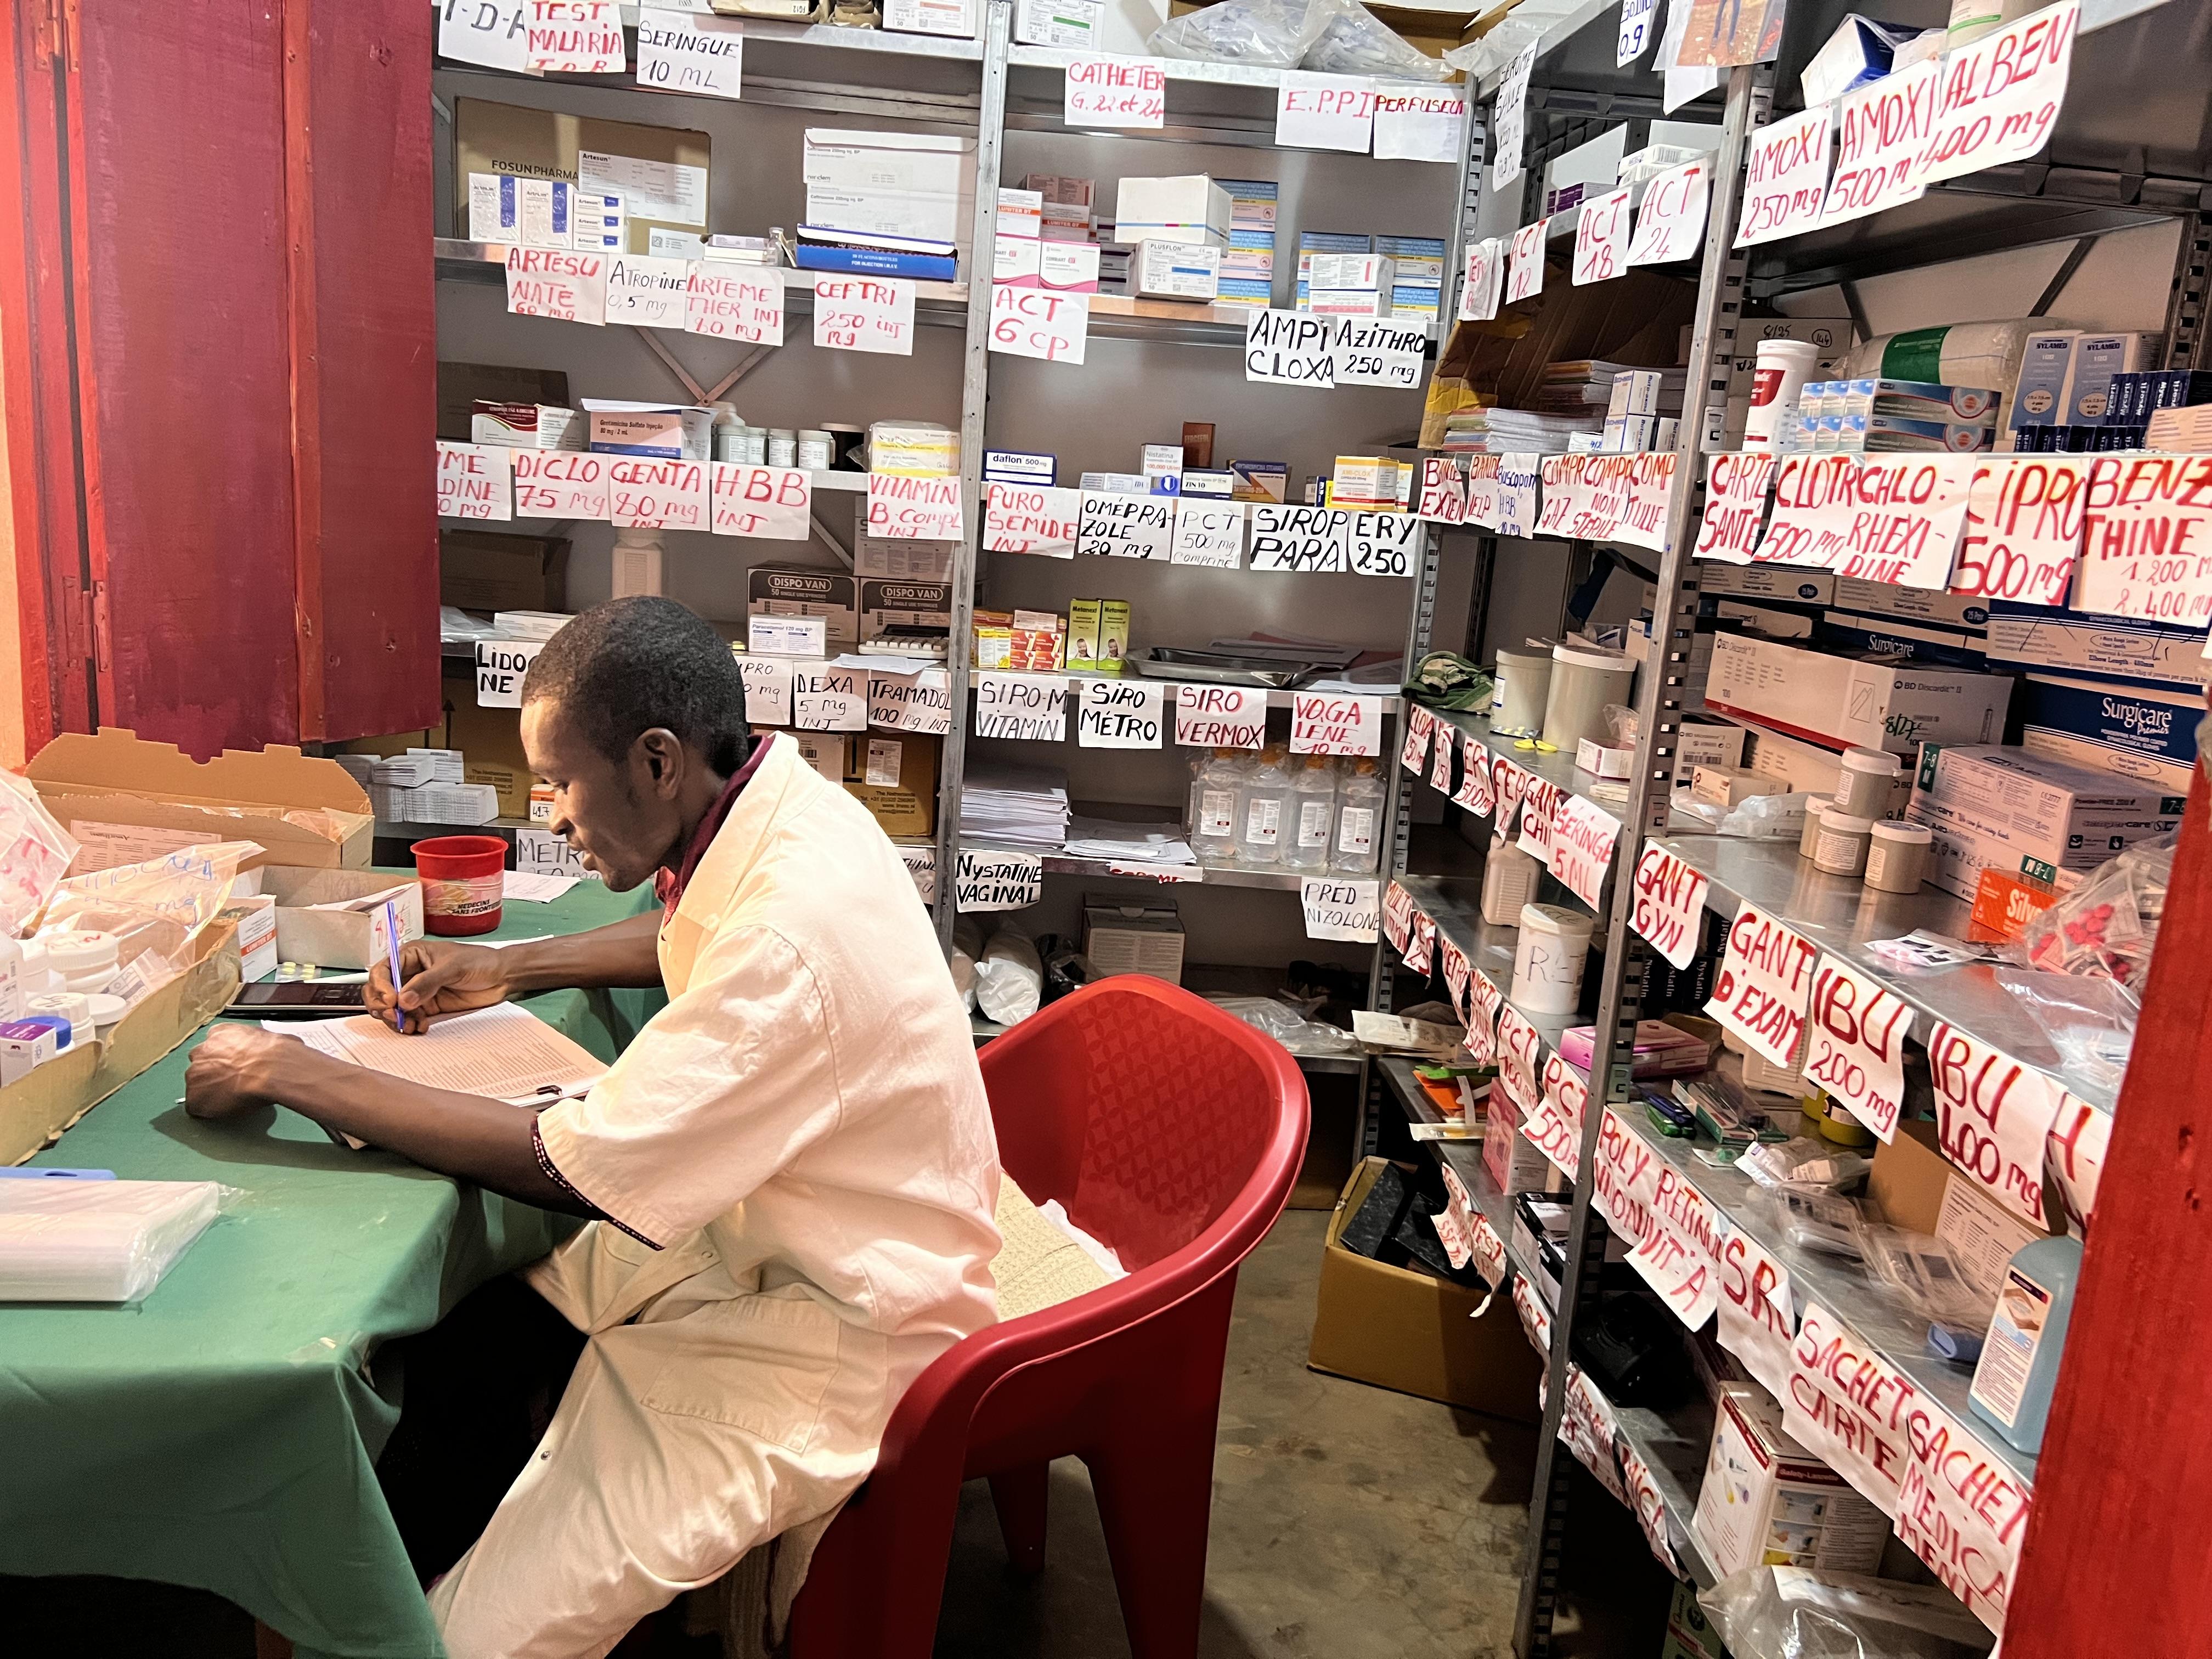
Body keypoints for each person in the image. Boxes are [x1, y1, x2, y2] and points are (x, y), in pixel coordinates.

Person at [184, 596, 1001, 1658]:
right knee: (498, 1311)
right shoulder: (780, 806)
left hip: (848, 1327)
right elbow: (686, 934)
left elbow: (558, 1160)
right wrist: (511, 965)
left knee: (476, 1636)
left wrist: (289, 1068)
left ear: (659, 763)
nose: (554, 813)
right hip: (791, 1239)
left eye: (564, 782)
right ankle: (426, 1530)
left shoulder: (788, 942)